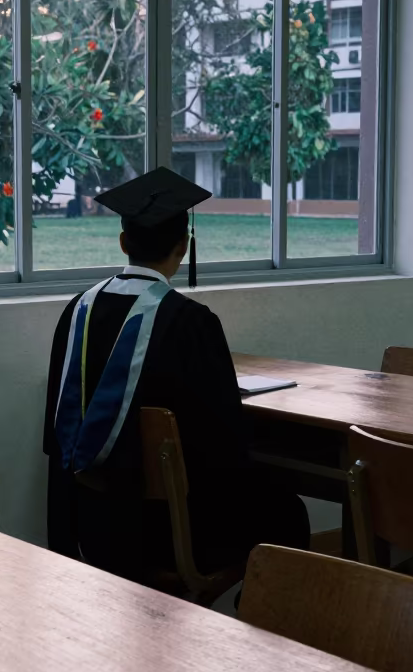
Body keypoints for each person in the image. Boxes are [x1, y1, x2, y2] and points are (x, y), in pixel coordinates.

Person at [43, 167, 309, 583]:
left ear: (122, 241)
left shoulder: (78, 310)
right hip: (172, 529)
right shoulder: (190, 322)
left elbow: (56, 434)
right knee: (288, 509)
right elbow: (226, 443)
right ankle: (265, 627)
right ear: (183, 247)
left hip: (92, 522)